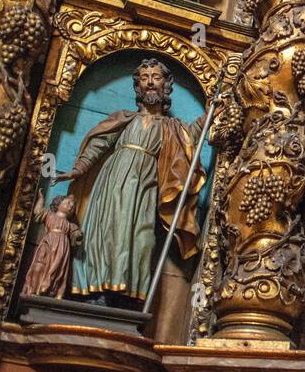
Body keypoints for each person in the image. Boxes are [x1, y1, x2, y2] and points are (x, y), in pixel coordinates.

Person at [54, 59, 204, 306]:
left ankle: (126, 294)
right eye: (144, 79)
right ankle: (95, 289)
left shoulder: (171, 127)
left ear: (166, 85)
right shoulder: (124, 119)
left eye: (156, 78)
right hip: (112, 183)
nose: (150, 83)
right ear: (138, 87)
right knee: (105, 232)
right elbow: (99, 143)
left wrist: (211, 113)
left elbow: (190, 139)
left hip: (145, 188)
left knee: (141, 238)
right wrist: (79, 168)